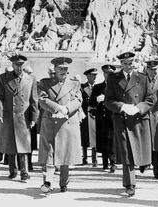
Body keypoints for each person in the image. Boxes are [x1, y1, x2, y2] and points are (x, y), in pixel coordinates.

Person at [104, 52, 155, 196]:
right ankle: (130, 183)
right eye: (125, 63)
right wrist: (122, 106)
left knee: (139, 153)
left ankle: (142, 166)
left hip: (139, 120)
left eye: (130, 63)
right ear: (121, 64)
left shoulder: (143, 78)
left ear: (135, 62)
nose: (128, 66)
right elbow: (108, 100)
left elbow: (150, 99)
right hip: (122, 120)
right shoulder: (113, 79)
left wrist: (139, 108)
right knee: (127, 153)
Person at [38, 57, 82, 193]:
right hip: (50, 122)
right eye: (60, 68)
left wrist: (67, 109)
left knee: (65, 155)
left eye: (65, 68)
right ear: (55, 69)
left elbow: (78, 100)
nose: (63, 71)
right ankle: (48, 182)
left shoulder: (74, 84)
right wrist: (57, 108)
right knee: (49, 154)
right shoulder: (45, 83)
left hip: (67, 122)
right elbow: (42, 99)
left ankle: (64, 183)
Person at [0, 54, 38, 181]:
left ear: (24, 65)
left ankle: (24, 171)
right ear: (12, 65)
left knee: (24, 144)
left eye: (21, 65)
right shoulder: (3, 78)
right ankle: (13, 170)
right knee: (10, 144)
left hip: (23, 116)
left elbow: (33, 100)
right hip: (8, 115)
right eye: (16, 65)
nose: (19, 67)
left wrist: (33, 118)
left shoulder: (31, 79)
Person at [89, 64, 116, 172]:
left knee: (112, 140)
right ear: (103, 74)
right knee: (103, 140)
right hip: (102, 118)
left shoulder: (117, 86)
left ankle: (113, 162)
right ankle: (105, 163)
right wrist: (97, 99)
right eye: (106, 73)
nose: (108, 75)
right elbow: (91, 102)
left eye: (110, 74)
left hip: (113, 116)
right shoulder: (98, 87)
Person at [80, 68, 98, 166]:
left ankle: (94, 159)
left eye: (95, 75)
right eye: (92, 75)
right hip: (85, 114)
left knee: (95, 136)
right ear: (87, 76)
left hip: (95, 115)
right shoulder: (82, 87)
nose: (95, 77)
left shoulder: (98, 87)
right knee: (85, 136)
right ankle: (84, 157)